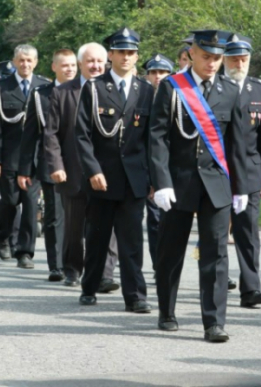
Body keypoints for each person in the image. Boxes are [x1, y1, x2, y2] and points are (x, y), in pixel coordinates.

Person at [149, 29, 249, 342]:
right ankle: (167, 310)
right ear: (192, 53)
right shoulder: (172, 87)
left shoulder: (231, 90)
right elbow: (157, 137)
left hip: (216, 184)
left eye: (218, 58)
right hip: (179, 183)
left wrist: (242, 186)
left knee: (216, 254)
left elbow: (239, 144)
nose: (212, 63)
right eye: (206, 56)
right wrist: (161, 182)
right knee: (170, 251)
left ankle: (214, 322)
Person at [74, 28, 154, 313]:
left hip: (134, 179)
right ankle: (90, 285)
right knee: (97, 237)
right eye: (121, 52)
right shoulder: (94, 88)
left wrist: (154, 179)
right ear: (111, 55)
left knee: (132, 241)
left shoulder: (146, 90)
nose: (126, 57)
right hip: (101, 178)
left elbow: (152, 139)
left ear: (137, 56)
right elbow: (82, 134)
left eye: (131, 52)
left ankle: (135, 296)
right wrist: (92, 170)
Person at [43, 42, 118, 289]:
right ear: (80, 64)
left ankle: (105, 274)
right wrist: (56, 164)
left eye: (99, 61)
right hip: (73, 171)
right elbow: (51, 133)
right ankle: (73, 269)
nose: (95, 66)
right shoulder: (62, 92)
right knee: (74, 227)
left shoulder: (113, 89)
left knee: (106, 225)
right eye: (90, 61)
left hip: (107, 171)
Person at [18, 49, 78, 281]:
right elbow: (30, 134)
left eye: (73, 65)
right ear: (54, 67)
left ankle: (79, 262)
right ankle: (57, 265)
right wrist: (25, 170)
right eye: (64, 65)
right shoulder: (40, 94)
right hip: (51, 163)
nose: (69, 69)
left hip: (81, 163)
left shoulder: (86, 90)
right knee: (55, 216)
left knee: (80, 217)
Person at [0, 45, 50, 266]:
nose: (25, 64)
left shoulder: (45, 87)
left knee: (32, 204)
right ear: (14, 62)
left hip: (34, 157)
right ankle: (3, 236)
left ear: (36, 62)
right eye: (21, 60)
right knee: (10, 201)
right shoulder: (0, 88)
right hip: (10, 156)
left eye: (29, 60)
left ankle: (25, 252)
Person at [222, 34, 261, 308]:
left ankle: (251, 288)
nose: (239, 62)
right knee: (218, 232)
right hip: (220, 172)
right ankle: (217, 284)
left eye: (243, 58)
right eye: (233, 58)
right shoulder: (214, 88)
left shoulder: (258, 88)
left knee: (248, 233)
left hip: (251, 172)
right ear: (224, 60)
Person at [141, 53, 174, 272]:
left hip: (168, 169)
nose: (158, 76)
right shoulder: (140, 98)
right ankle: (158, 265)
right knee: (153, 220)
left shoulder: (176, 96)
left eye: (162, 72)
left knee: (168, 220)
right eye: (153, 72)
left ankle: (166, 262)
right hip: (144, 168)